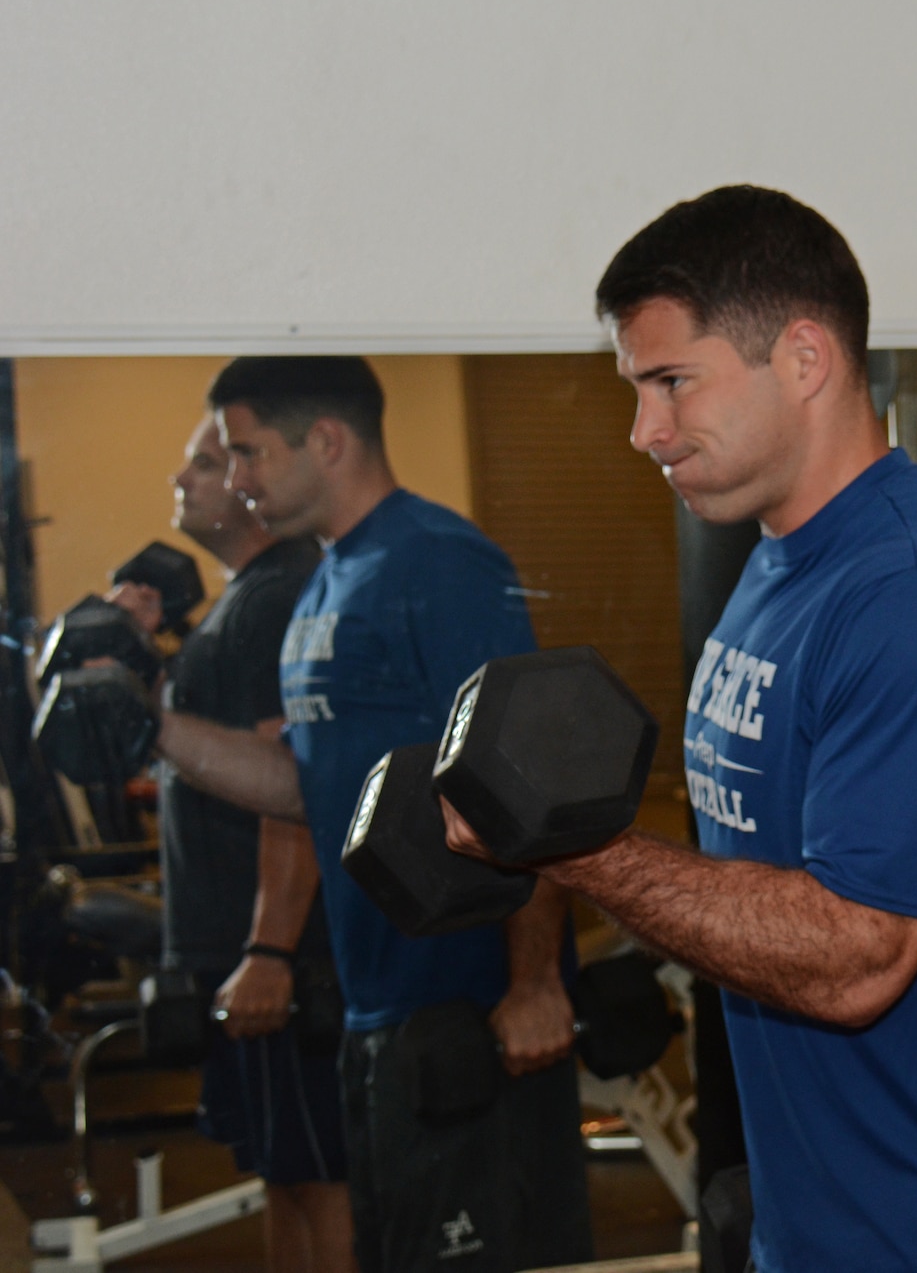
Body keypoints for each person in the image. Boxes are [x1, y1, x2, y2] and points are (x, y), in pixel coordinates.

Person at [443, 186, 917, 1273]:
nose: (642, 430)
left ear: (803, 359)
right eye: (634, 388)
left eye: (670, 382)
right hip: (823, 1222)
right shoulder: (780, 559)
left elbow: (857, 957)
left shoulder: (914, 595)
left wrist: (575, 848)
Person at [152, 357, 592, 1273]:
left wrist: (535, 981)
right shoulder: (323, 585)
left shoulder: (437, 561)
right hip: (372, 1006)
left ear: (327, 440)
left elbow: (530, 776)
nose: (237, 478)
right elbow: (304, 785)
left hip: (466, 1007)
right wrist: (154, 729)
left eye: (249, 452)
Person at [110, 414, 344, 1272]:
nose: (187, 479)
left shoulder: (279, 596)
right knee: (280, 1172)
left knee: (321, 1179)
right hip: (238, 944)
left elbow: (297, 783)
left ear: (253, 489)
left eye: (210, 464)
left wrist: (271, 948)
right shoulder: (236, 605)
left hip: (282, 950)